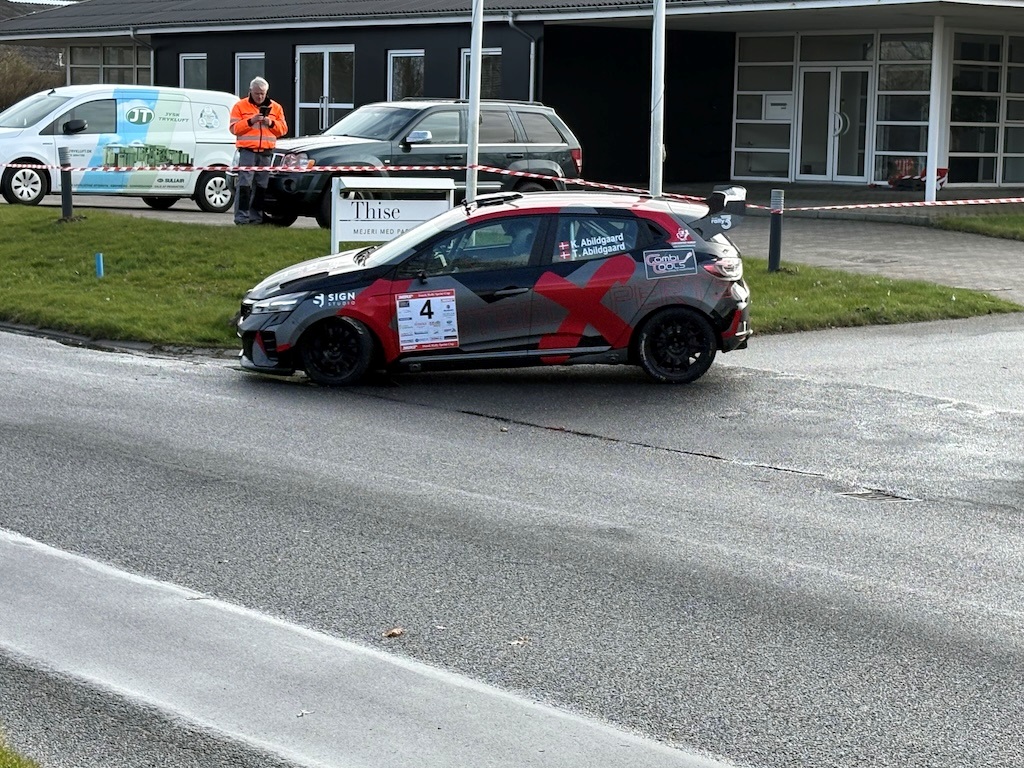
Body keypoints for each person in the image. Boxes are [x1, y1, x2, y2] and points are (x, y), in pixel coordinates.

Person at [229, 76, 288, 225]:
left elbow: (283, 130)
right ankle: (242, 218)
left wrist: (271, 123)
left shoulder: (276, 107)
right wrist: (251, 121)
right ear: (250, 91)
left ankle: (256, 218)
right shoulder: (240, 106)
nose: (260, 96)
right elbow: (234, 129)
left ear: (266, 92)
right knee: (244, 185)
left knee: (261, 186)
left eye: (262, 93)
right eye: (257, 93)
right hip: (247, 151)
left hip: (266, 152)